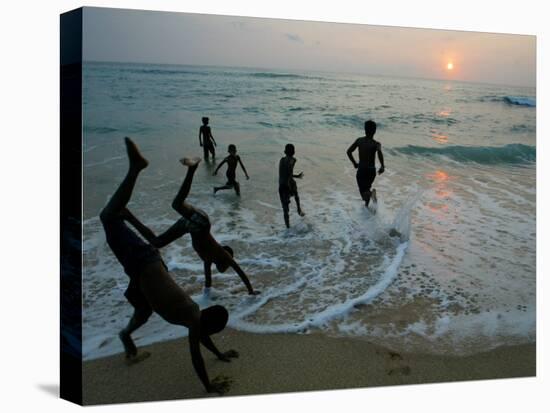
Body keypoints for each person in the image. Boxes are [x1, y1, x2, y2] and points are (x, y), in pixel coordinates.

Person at [100, 137, 237, 395]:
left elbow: (202, 338)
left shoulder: (195, 317)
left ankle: (127, 339)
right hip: (144, 264)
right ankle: (135, 169)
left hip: (144, 274)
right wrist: (208, 386)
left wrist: (219, 354)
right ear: (206, 324)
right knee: (108, 216)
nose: (205, 335)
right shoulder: (194, 318)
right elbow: (196, 354)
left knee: (143, 310)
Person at [123, 155, 260, 296]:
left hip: (191, 227)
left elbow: (208, 281)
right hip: (201, 223)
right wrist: (250, 291)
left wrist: (206, 294)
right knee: (177, 204)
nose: (226, 269)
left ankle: (127, 215)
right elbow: (241, 273)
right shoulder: (223, 255)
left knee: (158, 242)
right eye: (226, 267)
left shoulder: (209, 259)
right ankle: (192, 169)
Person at [346, 120, 385, 207]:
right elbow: (379, 153)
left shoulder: (359, 140)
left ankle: (371, 195)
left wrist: (354, 163)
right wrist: (382, 166)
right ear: (374, 131)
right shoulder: (376, 144)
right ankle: (366, 206)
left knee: (364, 193)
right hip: (371, 171)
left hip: (362, 170)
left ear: (365, 129)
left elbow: (349, 152)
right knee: (366, 188)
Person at [278, 144, 305, 228]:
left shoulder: (281, 160)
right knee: (296, 195)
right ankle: (298, 209)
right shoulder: (293, 160)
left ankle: (287, 228)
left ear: (285, 151)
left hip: (281, 185)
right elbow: (289, 174)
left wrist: (296, 176)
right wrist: (290, 187)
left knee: (285, 210)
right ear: (294, 152)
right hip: (287, 184)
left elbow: (284, 174)